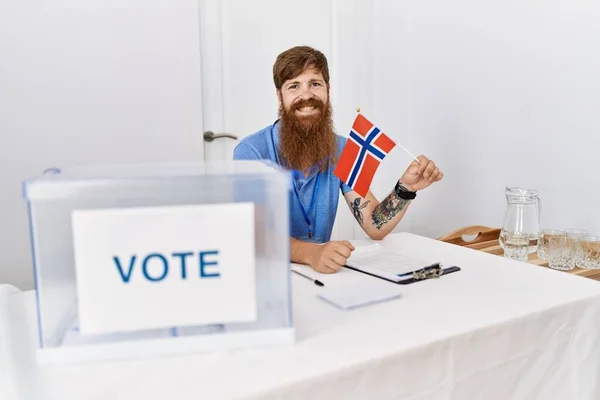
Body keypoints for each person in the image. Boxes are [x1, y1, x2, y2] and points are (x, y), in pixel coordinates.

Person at [233, 45, 443, 274]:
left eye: (315, 84)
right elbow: (254, 233)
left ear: (328, 90)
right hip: (264, 273)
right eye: (294, 86)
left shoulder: (345, 149)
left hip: (321, 274)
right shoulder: (251, 152)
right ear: (279, 95)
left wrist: (405, 188)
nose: (306, 95)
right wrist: (312, 253)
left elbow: (374, 225)